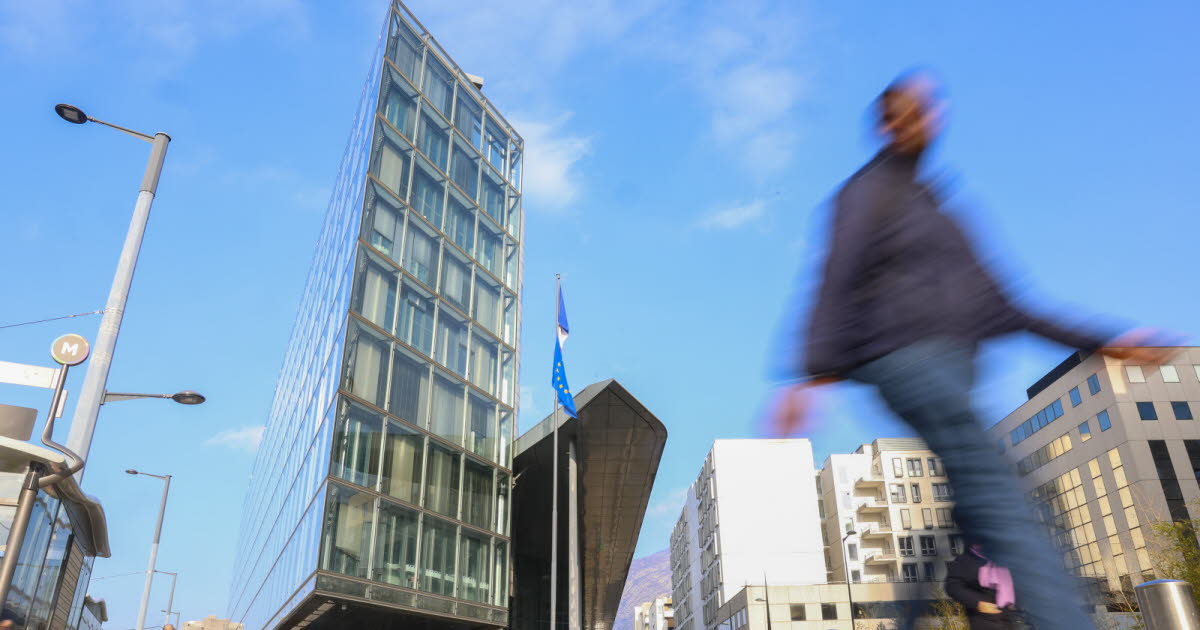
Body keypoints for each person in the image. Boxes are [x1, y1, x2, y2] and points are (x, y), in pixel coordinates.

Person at [768, 70, 1173, 630]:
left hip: (951, 374)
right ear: (886, 126)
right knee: (1005, 504)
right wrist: (811, 374)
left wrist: (1103, 342)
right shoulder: (867, 193)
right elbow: (837, 273)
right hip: (907, 364)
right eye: (905, 111)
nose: (919, 120)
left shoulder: (942, 217)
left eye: (927, 109)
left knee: (975, 504)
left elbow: (1012, 307)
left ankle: (906, 618)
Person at [945, 542, 1017, 630]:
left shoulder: (1002, 558)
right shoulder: (965, 560)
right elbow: (953, 586)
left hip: (1008, 619)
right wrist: (978, 603)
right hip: (983, 620)